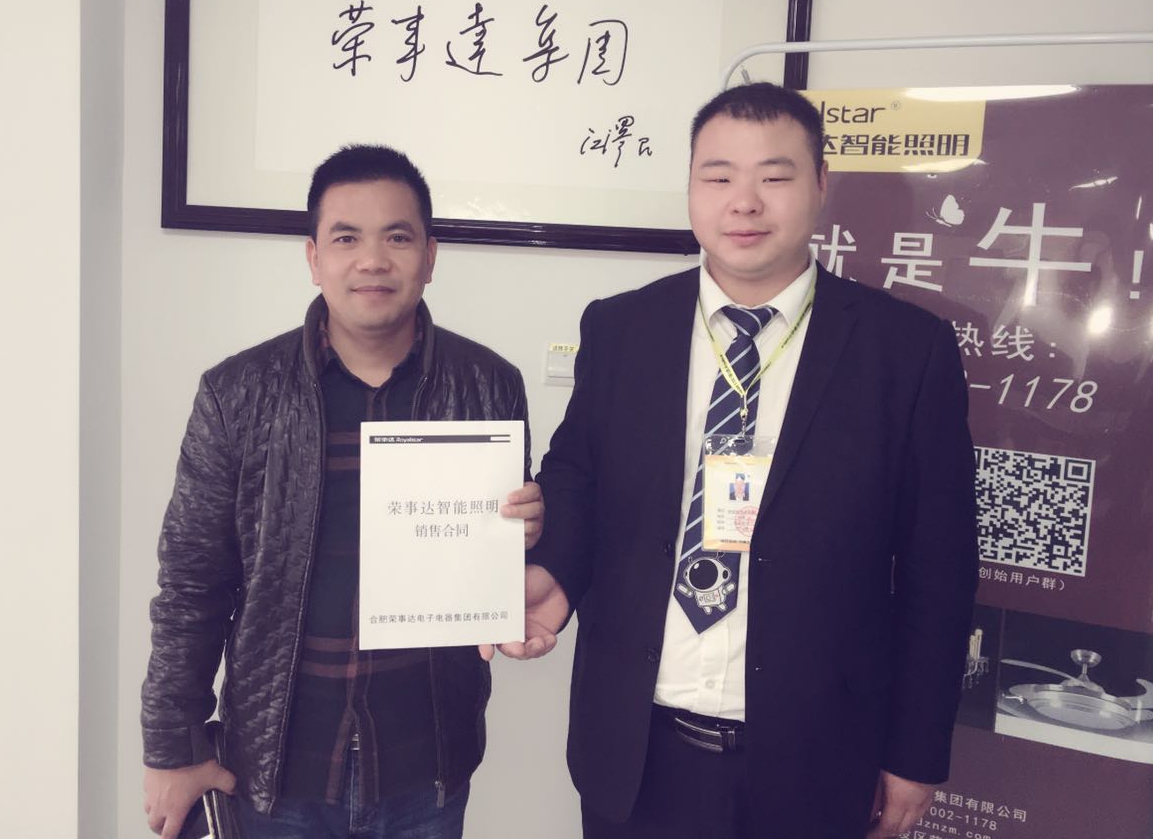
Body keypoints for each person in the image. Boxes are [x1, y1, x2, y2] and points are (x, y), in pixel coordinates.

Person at [510, 83, 978, 838]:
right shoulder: (623, 328)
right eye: (719, 176)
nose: (744, 202)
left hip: (817, 757)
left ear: (821, 184)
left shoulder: (906, 351)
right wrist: (555, 572)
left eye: (775, 176)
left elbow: (940, 570)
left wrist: (916, 752)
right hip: (635, 748)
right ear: (692, 188)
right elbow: (579, 477)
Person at [141, 144, 544, 839]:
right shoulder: (237, 393)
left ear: (431, 255)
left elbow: (488, 570)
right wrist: (173, 747)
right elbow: (190, 583)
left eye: (398, 237)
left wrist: (526, 533)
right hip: (277, 770)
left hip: (426, 767)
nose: (373, 260)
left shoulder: (488, 384)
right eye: (347, 238)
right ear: (313, 257)